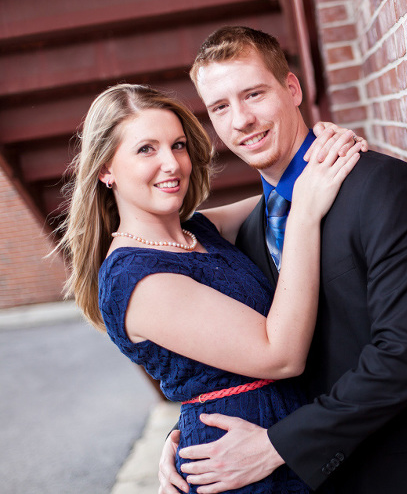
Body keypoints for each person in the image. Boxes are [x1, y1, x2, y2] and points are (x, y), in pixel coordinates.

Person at [159, 26, 407, 494]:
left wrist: (277, 446)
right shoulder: (251, 233)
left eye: (254, 94)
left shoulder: (380, 187)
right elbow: (251, 366)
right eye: (220, 107)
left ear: (292, 89)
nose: (242, 120)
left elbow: (406, 354)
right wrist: (187, 440)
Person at [55, 83, 362, 493]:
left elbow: (287, 196)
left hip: (284, 442)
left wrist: (331, 150)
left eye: (178, 145)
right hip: (236, 468)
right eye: (146, 149)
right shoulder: (136, 279)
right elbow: (280, 355)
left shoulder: (199, 230)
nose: (172, 164)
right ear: (105, 170)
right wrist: (305, 213)